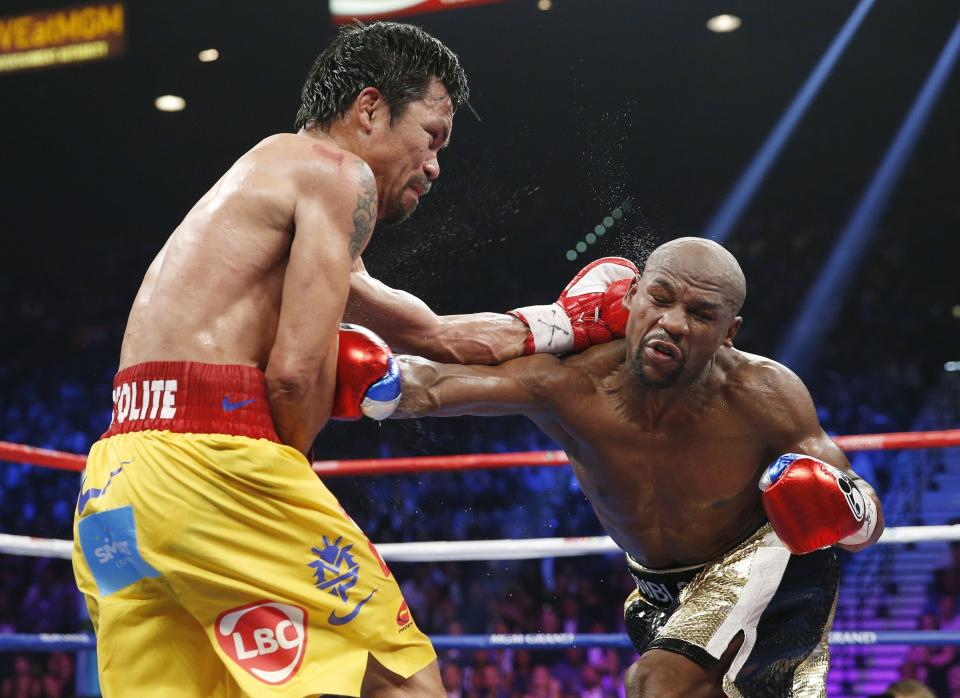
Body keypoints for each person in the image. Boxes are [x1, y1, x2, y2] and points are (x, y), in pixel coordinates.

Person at [71, 20, 636, 696]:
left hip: (117, 481)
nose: (434, 166)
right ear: (369, 109)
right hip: (213, 466)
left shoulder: (273, 180)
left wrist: (560, 325)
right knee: (404, 684)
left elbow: (436, 335)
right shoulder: (337, 176)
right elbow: (294, 372)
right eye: (431, 136)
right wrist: (289, 476)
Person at [379, 237, 884, 697]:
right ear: (631, 297)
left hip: (768, 559)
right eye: (660, 299)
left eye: (701, 313)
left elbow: (861, 510)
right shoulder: (572, 387)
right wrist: (367, 374)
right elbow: (434, 385)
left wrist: (848, 510)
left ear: (729, 332)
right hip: (657, 591)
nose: (674, 322)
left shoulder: (763, 395)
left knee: (656, 684)